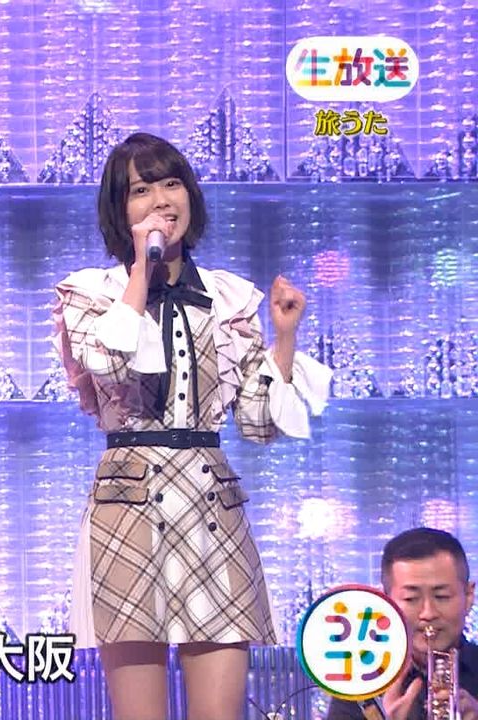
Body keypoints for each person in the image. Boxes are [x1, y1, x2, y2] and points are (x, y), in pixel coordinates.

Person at [52, 132, 333, 720]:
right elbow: (112, 364)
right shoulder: (91, 293)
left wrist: (284, 338)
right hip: (128, 508)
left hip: (211, 506)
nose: (161, 199)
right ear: (119, 209)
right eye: (141, 190)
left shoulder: (228, 297)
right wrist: (142, 270)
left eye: (171, 183)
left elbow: (258, 423)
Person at [326, 527, 478, 720]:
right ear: (387, 603)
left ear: (469, 596)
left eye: (442, 596)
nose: (428, 613)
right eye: (411, 599)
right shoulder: (359, 685)